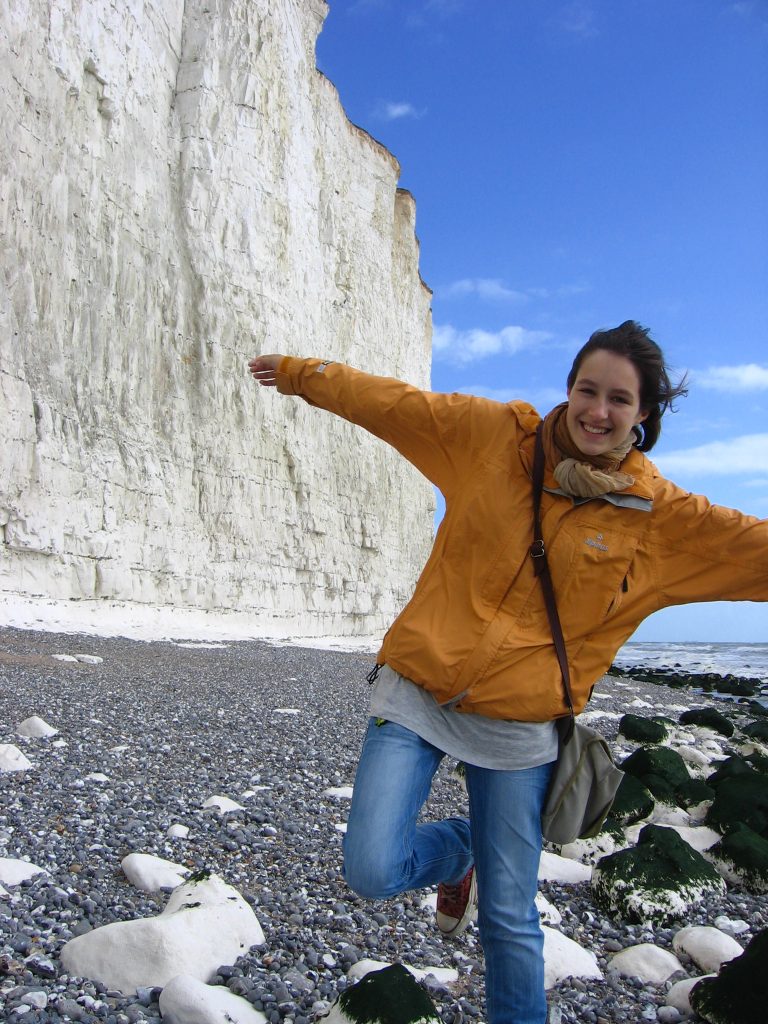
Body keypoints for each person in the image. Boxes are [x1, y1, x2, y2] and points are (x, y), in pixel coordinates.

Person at [249, 321, 768, 1024]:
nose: (598, 410)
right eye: (588, 389)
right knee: (372, 867)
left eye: (619, 399)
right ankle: (463, 848)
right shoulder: (492, 438)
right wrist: (305, 374)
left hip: (521, 730)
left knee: (509, 920)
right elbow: (393, 404)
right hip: (419, 690)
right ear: (569, 389)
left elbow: (755, 550)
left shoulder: (660, 519)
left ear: (643, 414)